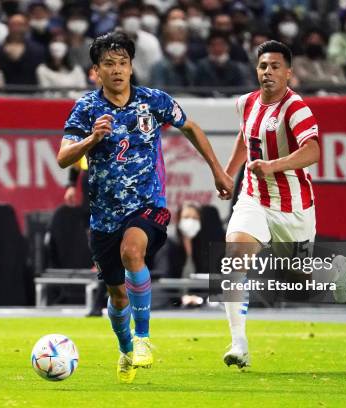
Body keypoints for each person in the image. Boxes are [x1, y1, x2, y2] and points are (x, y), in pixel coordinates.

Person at [57, 31, 233, 383]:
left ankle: (144, 339)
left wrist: (218, 170)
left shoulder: (154, 101)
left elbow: (191, 128)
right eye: (109, 64)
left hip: (148, 204)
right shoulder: (87, 108)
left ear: (132, 66)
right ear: (96, 71)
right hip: (104, 215)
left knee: (132, 251)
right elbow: (63, 157)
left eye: (123, 63)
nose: (118, 70)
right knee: (117, 295)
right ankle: (125, 349)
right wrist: (92, 139)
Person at [221, 40, 346, 369]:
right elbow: (244, 138)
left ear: (289, 73)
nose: (268, 72)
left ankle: (335, 270)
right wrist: (228, 173)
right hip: (253, 197)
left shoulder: (296, 109)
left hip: (292, 205)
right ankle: (239, 344)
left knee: (299, 274)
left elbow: (313, 151)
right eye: (263, 66)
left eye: (275, 66)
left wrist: (272, 166)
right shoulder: (246, 102)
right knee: (234, 256)